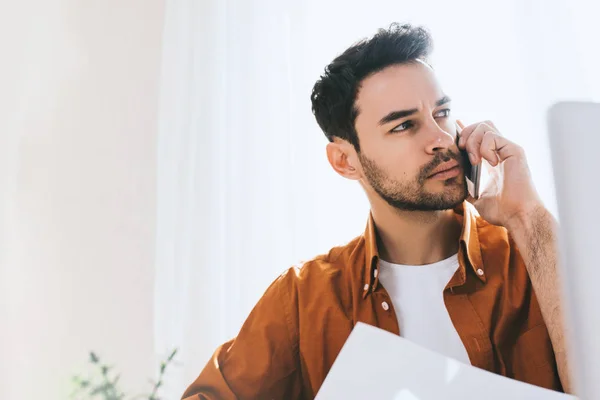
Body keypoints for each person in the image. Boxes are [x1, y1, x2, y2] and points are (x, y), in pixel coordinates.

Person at [182, 23, 570, 399]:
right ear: (344, 161)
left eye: (442, 112)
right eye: (404, 126)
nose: (439, 139)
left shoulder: (532, 257)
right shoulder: (305, 300)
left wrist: (525, 213)